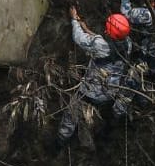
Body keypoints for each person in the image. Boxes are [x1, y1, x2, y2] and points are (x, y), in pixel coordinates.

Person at [58, 9, 138, 146]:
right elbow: (103, 43)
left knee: (71, 112)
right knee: (105, 117)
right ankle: (104, 136)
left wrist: (74, 20)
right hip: (111, 92)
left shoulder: (100, 44)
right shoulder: (128, 44)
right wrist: (87, 29)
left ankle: (61, 140)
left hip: (90, 92)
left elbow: (78, 38)